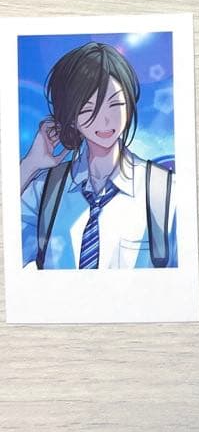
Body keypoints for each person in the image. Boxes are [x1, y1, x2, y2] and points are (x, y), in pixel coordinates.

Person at [20, 42, 176, 269]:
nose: (105, 120)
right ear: (70, 114)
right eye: (88, 107)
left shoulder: (164, 190)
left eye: (116, 104)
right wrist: (30, 164)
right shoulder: (45, 190)